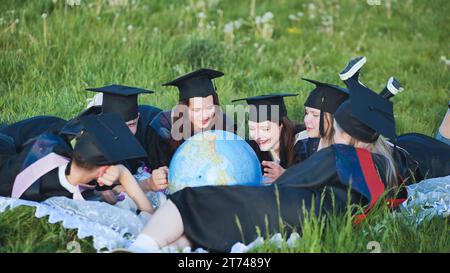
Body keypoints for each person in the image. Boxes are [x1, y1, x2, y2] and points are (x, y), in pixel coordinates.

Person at [118, 73, 413, 253]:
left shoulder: (337, 156)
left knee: (189, 200)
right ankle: (160, 248)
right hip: (318, 221)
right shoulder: (384, 169)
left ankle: (140, 247)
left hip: (291, 209)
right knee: (201, 227)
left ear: (345, 134)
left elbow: (288, 184)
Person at [0, 113, 154, 214]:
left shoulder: (51, 145)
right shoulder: (77, 207)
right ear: (102, 173)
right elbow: (149, 214)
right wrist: (123, 173)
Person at [145, 68, 235, 192]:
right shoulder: (162, 128)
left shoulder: (225, 126)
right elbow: (157, 173)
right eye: (197, 110)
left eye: (209, 107)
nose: (205, 115)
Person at [232, 93, 305, 183]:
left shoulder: (304, 142)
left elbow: (315, 178)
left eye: (265, 128)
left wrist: (286, 175)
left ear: (281, 125)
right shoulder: (251, 147)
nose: (257, 136)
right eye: (252, 128)